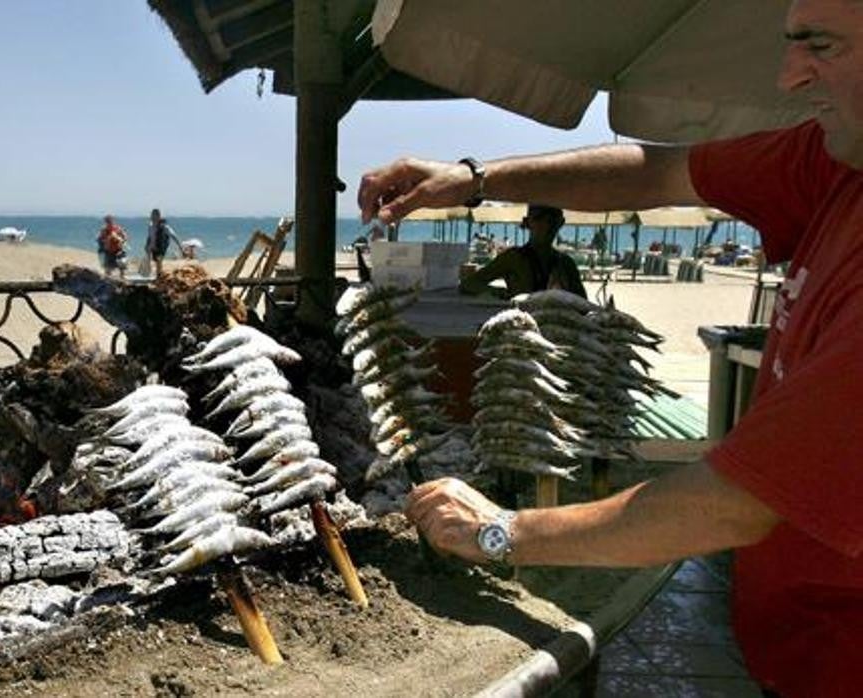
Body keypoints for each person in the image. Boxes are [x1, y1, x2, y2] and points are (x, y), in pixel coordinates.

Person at [356, 1, 862, 693]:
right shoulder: (836, 163)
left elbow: (734, 501)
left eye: (821, 47)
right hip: (796, 649)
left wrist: (501, 532)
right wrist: (475, 179)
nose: (787, 78)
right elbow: (657, 173)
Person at [458, 204, 587, 299]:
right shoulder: (513, 258)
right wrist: (502, 294)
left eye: (552, 219)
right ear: (527, 223)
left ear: (561, 223)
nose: (546, 224)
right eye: (539, 218)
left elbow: (583, 305)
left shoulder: (565, 263)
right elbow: (469, 284)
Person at [145, 208, 182, 277]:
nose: (152, 217)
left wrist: (179, 246)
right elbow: (149, 236)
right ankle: (156, 273)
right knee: (156, 261)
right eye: (152, 215)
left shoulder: (164, 227)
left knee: (159, 261)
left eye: (155, 215)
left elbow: (173, 236)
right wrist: (147, 245)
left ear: (159, 216)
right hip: (153, 246)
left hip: (161, 246)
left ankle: (158, 276)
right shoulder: (150, 226)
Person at [97, 215, 128, 279]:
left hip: (118, 248)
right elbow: (99, 239)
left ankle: (122, 276)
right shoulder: (104, 230)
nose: (109, 222)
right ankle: (108, 277)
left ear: (113, 221)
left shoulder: (118, 228)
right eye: (107, 221)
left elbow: (125, 236)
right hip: (108, 250)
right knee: (108, 266)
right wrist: (105, 240)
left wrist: (121, 240)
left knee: (122, 262)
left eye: (110, 221)